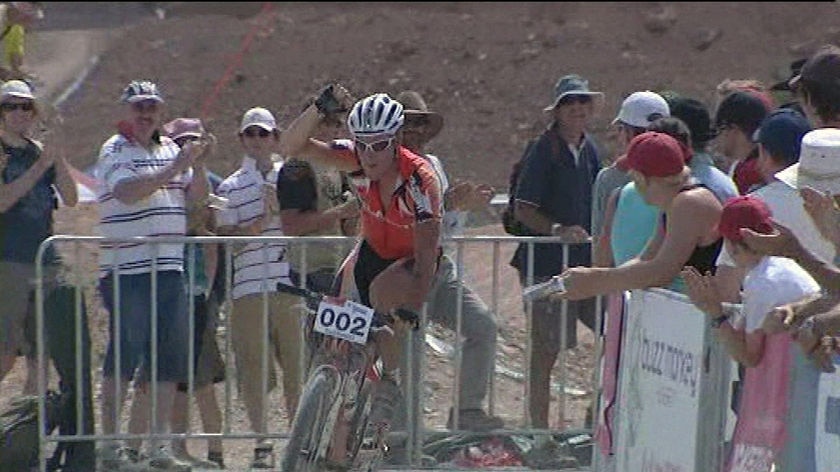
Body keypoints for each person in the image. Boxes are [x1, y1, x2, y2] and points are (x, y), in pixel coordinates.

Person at [279, 86, 444, 437]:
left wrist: (412, 306)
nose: (370, 155)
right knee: (330, 319)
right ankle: (332, 398)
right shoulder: (353, 159)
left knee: (383, 298)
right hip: (370, 249)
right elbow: (290, 147)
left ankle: (390, 381)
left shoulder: (419, 179)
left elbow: (428, 252)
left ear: (396, 139)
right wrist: (318, 107)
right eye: (363, 143)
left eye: (380, 145)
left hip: (411, 259)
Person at [95, 80, 208, 471]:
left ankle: (158, 445)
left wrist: (198, 162)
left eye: (152, 107)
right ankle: (109, 445)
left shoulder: (171, 149)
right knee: (125, 354)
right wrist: (175, 167)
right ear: (126, 111)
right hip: (127, 270)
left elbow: (198, 202)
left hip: (170, 268)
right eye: (138, 107)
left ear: (160, 112)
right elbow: (126, 191)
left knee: (168, 358)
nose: (145, 114)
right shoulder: (113, 149)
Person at [682, 195, 821, 470]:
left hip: (790, 396)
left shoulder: (762, 281)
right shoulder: (788, 267)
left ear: (732, 245)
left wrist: (715, 313)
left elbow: (749, 355)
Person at [394, 90, 503, 431]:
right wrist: (449, 206)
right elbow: (401, 222)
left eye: (420, 123)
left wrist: (461, 208)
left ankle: (467, 410)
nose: (414, 130)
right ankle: (402, 438)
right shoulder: (386, 169)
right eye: (407, 122)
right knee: (407, 359)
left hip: (440, 269)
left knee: (482, 326)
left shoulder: (434, 165)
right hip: (405, 273)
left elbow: (445, 228)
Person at [508, 74, 602, 428]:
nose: (577, 108)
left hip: (585, 265)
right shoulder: (543, 149)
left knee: (612, 332)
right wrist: (558, 230)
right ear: (558, 110)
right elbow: (523, 207)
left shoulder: (591, 148)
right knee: (545, 350)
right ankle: (538, 430)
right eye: (569, 103)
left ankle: (597, 419)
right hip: (545, 265)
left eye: (582, 101)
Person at [213, 107, 302, 469]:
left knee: (298, 367)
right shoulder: (228, 186)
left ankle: (299, 440)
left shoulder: (294, 178)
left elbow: (303, 227)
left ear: (275, 138)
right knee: (254, 369)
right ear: (241, 140)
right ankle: (262, 442)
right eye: (250, 134)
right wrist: (262, 219)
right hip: (247, 287)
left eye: (263, 134)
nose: (257, 141)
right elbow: (226, 237)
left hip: (289, 284)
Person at [556, 131, 723, 302]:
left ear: (641, 178)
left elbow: (662, 272)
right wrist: (593, 277)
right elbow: (644, 259)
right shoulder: (674, 203)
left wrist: (596, 281)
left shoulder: (688, 203)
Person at [164, 117, 226, 469]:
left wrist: (207, 291)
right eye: (181, 141)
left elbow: (212, 237)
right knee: (175, 376)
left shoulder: (211, 183)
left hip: (198, 291)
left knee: (202, 376)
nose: (188, 146)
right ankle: (177, 446)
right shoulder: (165, 183)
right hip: (171, 287)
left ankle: (216, 451)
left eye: (194, 140)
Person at [591, 90, 669, 267]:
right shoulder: (685, 177)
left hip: (623, 283)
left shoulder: (610, 179)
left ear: (625, 132)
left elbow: (600, 248)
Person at [713, 90, 771, 194]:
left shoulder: (749, 173)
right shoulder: (768, 164)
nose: (718, 137)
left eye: (720, 129)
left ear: (733, 128)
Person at [0, 2, 42, 81]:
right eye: (27, 15)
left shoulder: (17, 27)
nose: (30, 21)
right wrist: (2, 73)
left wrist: (21, 72)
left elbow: (15, 52)